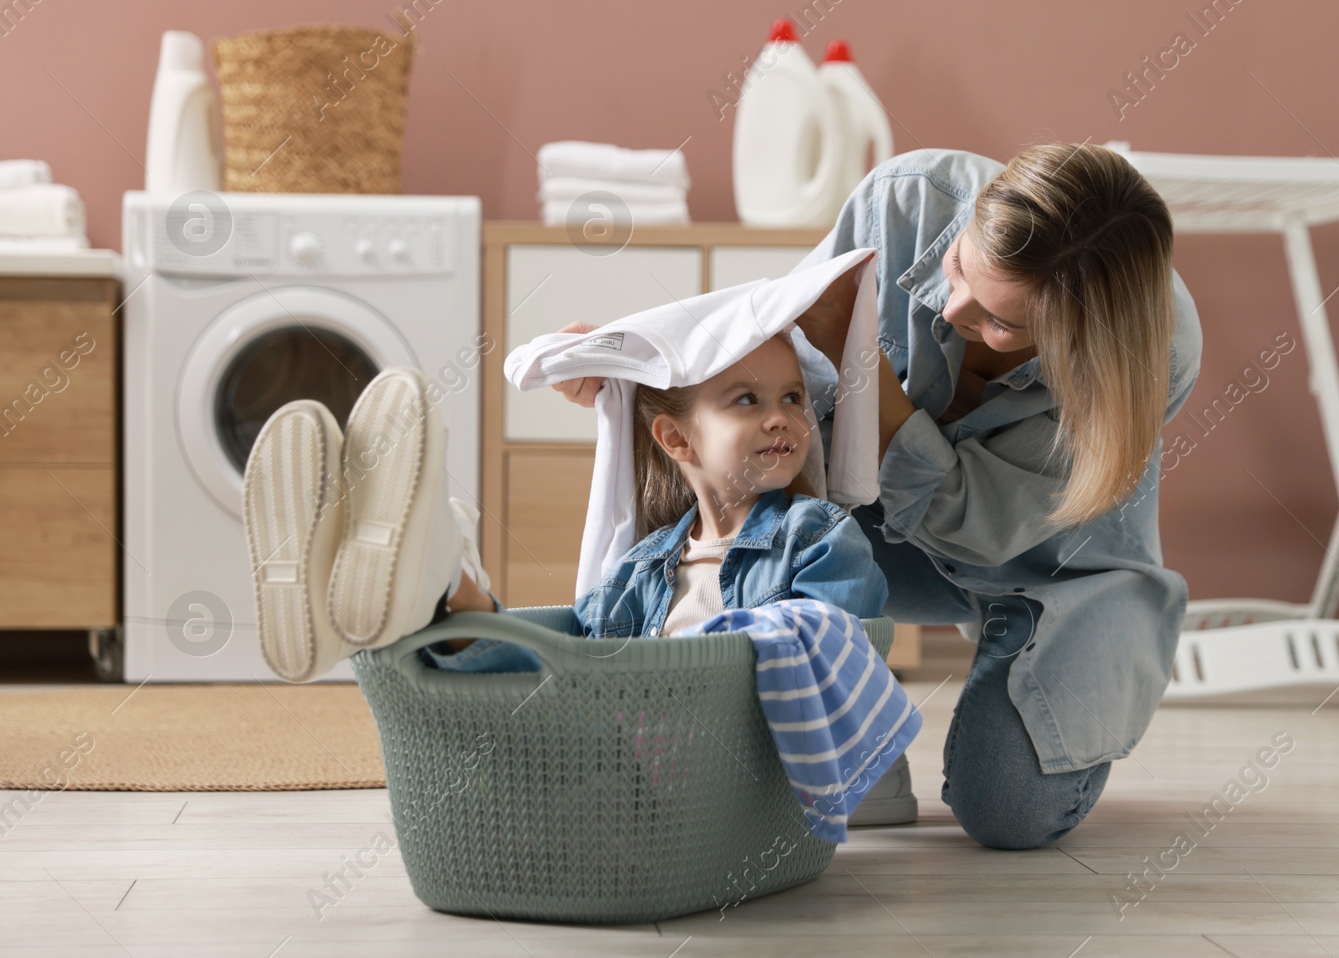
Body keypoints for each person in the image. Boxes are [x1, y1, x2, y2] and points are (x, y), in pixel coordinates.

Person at [556, 143, 1204, 850]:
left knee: (1006, 812)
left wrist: (862, 365)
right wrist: (638, 360)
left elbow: (974, 528)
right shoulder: (906, 202)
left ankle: (948, 687)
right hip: (880, 538)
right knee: (714, 452)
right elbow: (764, 341)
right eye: (959, 269)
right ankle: (828, 719)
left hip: (1048, 571)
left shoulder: (1148, 351)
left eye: (1003, 323)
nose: (955, 310)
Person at [241, 334, 887, 683]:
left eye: (795, 398)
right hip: (625, 737)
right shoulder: (645, 565)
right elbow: (572, 659)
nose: (783, 418)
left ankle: (433, 554)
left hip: (712, 768)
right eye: (748, 399)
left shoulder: (817, 537)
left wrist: (671, 667)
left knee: (563, 687)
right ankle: (431, 584)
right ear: (677, 439)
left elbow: (832, 644)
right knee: (541, 665)